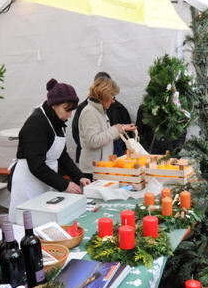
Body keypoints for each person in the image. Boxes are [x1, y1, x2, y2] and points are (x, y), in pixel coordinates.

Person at [8, 79, 90, 214]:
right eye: (66, 110)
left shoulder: (58, 121)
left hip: (47, 180)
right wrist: (64, 184)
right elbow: (36, 165)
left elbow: (62, 156)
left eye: (71, 111)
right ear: (54, 105)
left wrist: (79, 177)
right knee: (28, 222)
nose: (69, 115)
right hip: (28, 183)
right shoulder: (37, 122)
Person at [77, 77, 136, 175]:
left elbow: (105, 136)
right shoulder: (89, 112)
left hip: (101, 168)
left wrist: (121, 129)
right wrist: (114, 130)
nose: (113, 100)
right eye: (112, 96)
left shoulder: (100, 111)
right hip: (92, 171)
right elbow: (93, 141)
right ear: (104, 95)